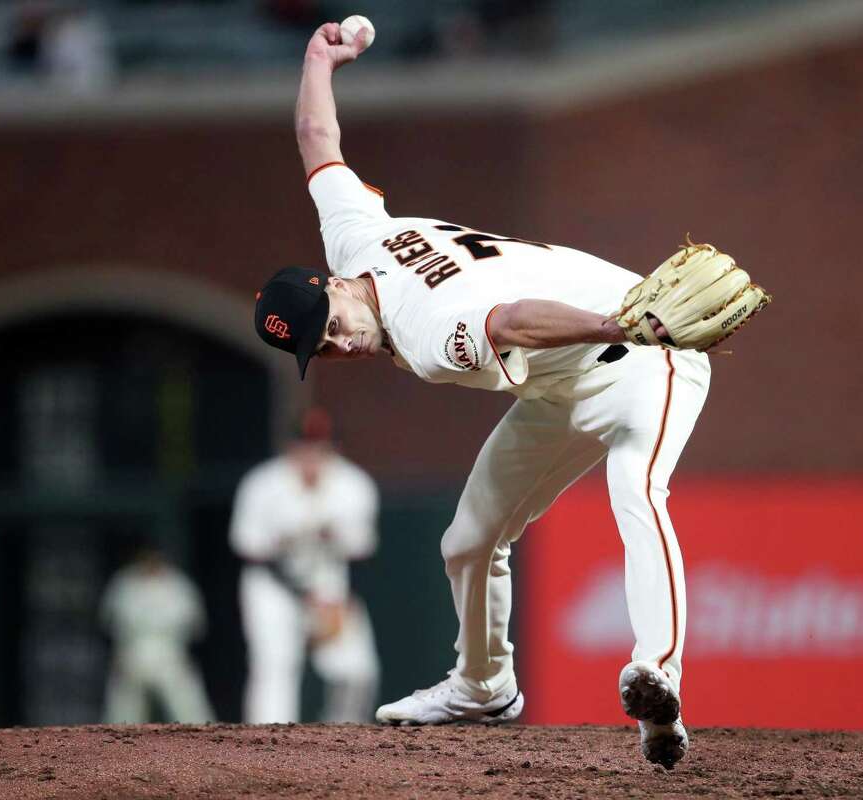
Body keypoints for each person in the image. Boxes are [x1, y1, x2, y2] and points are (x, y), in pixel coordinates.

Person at [253, 19, 719, 768]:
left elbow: (514, 321)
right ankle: (482, 685)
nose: (337, 344)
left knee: (636, 487)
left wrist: (624, 325)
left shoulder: (426, 328)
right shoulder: (353, 237)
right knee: (468, 541)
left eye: (328, 325)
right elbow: (316, 137)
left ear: (334, 286)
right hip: (565, 380)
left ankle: (657, 675)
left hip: (645, 351)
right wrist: (318, 60)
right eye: (319, 348)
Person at [230, 408, 380, 724]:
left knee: (356, 671)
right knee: (274, 666)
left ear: (333, 448)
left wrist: (345, 600)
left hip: (329, 583)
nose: (310, 454)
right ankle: (267, 748)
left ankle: (345, 743)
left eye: (319, 447)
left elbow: (361, 553)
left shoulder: (353, 485)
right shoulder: (263, 485)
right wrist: (302, 595)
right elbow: (251, 551)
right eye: (304, 446)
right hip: (272, 587)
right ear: (290, 447)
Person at [101, 546, 215, 724]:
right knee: (123, 716)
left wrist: (184, 651)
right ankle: (113, 750)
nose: (150, 563)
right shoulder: (124, 583)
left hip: (170, 653)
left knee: (191, 713)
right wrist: (118, 653)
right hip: (133, 653)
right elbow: (109, 623)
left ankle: (209, 746)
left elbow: (196, 625)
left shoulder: (178, 584)